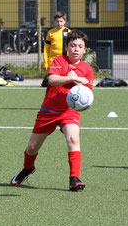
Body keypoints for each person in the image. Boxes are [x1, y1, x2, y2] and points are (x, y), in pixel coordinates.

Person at [9, 30, 93, 191]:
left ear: (84, 50)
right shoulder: (59, 61)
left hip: (69, 111)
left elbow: (87, 94)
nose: (76, 49)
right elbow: (53, 79)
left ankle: (74, 179)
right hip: (48, 111)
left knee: (73, 139)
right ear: (67, 47)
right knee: (32, 147)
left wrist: (79, 83)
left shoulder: (87, 69)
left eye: (80, 46)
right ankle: (28, 168)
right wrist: (73, 77)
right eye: (73, 45)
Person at [42, 12, 71, 87]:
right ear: (54, 21)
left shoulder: (68, 32)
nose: (59, 23)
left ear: (65, 21)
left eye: (61, 21)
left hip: (64, 60)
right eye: (57, 21)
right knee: (52, 81)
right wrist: (46, 62)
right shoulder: (51, 32)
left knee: (64, 81)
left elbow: (71, 47)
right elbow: (46, 48)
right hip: (53, 60)